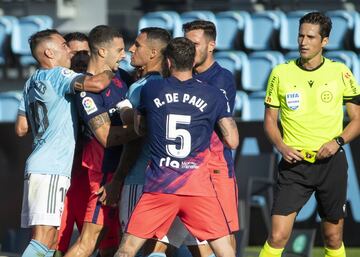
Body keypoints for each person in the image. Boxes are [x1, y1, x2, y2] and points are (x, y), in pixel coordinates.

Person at [113, 37, 239, 257]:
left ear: (168, 62)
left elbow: (140, 129)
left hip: (160, 187)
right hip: (198, 188)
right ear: (192, 62)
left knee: (127, 249)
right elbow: (232, 141)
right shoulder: (213, 95)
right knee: (224, 251)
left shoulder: (152, 89)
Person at [259, 12, 360, 257]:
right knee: (277, 236)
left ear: (324, 41)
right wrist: (282, 147)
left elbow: (357, 119)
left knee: (333, 237)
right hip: (294, 166)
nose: (303, 42)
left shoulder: (341, 72)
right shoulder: (280, 73)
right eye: (300, 35)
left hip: (331, 164)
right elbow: (270, 121)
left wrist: (337, 142)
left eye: (311, 37)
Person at [15, 29, 115, 257]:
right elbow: (97, 84)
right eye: (63, 45)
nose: (68, 49)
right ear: (49, 52)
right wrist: (109, 66)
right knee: (43, 239)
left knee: (49, 240)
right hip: (52, 166)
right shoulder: (60, 75)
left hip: (40, 163)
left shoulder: (31, 80)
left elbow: (21, 128)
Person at [97, 26, 172, 256]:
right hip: (168, 180)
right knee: (157, 246)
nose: (131, 48)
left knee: (129, 248)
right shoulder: (171, 86)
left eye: (137, 45)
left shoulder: (142, 88)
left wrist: (117, 179)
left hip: (139, 179)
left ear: (153, 53)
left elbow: (135, 139)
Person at [63, 25, 137, 257]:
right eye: (119, 49)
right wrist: (141, 130)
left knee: (111, 243)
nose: (124, 54)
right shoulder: (87, 89)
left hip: (122, 169)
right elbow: (105, 136)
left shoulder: (122, 77)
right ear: (103, 52)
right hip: (104, 172)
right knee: (89, 240)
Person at [55, 31, 91, 257]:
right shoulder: (54, 84)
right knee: (54, 242)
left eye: (84, 53)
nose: (79, 58)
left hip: (90, 175)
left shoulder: (103, 86)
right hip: (60, 174)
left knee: (99, 242)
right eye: (74, 53)